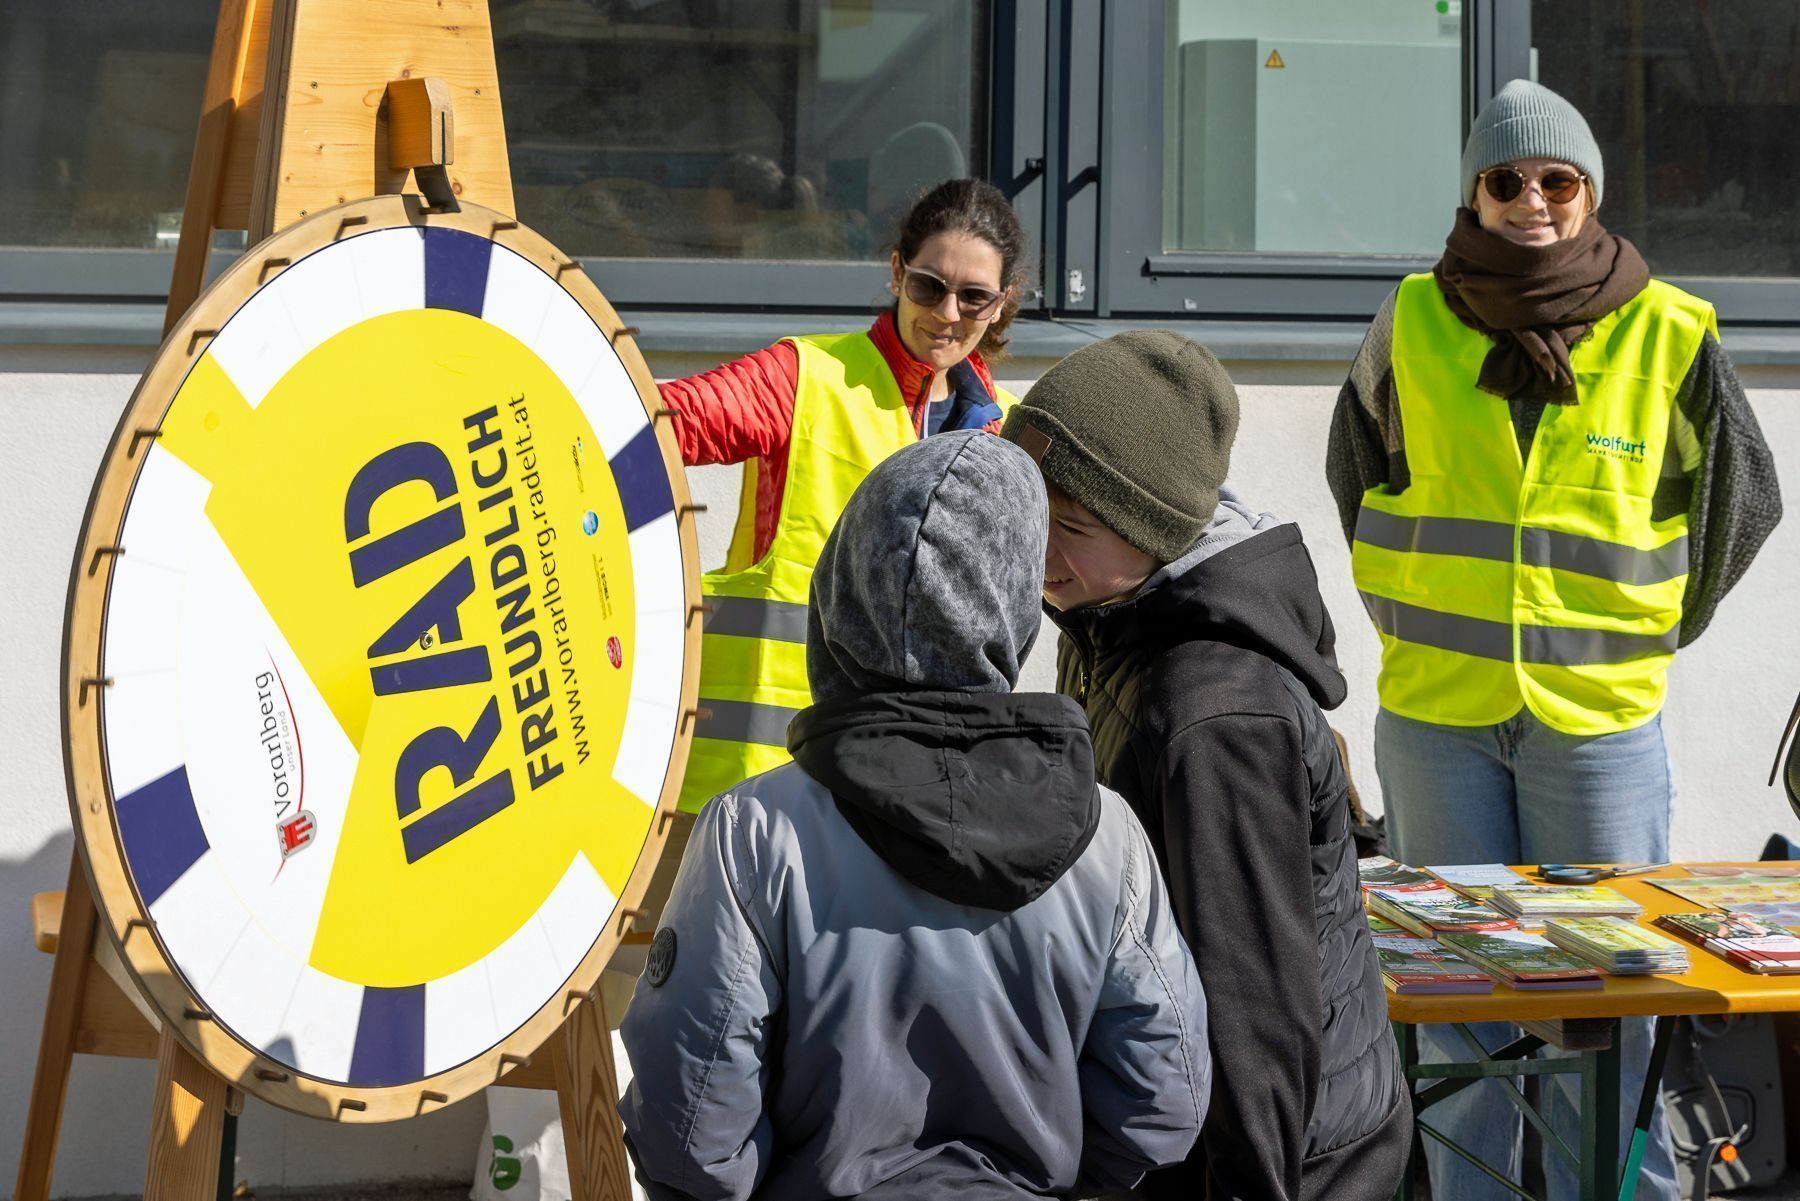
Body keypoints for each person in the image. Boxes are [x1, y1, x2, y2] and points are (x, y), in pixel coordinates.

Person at [1325, 79, 1781, 1199]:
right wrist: (1408, 599)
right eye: (1506, 180)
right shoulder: (1412, 318)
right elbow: (1358, 474)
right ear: (1473, 194)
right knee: (1455, 1009)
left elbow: (1745, 501)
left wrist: (1644, 630)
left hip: (1598, 726)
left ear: (1592, 192)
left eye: (1558, 180)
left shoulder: (1670, 329)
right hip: (1439, 718)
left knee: (1616, 1002)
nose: (1533, 200)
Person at [618, 431, 1211, 1200]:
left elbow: (691, 1127)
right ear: (1012, 597)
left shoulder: (756, 832)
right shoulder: (1109, 835)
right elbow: (1167, 1098)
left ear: (839, 588)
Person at [1001, 332, 1410, 1201]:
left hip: (1293, 1164)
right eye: (1033, 515)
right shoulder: (1114, 611)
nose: (1040, 552)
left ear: (1153, 526)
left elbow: (1253, 1007)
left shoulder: (1216, 715)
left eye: (1071, 527)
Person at [658, 177, 1027, 815]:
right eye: (928, 285)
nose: (945, 314)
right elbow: (648, 422)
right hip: (754, 792)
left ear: (1002, 304)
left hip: (912, 804)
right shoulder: (805, 378)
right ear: (895, 272)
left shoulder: (1010, 439)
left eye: (972, 297)